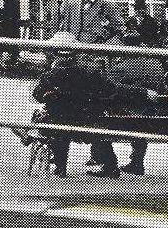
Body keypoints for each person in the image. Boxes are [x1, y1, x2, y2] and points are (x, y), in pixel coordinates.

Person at [33, 32, 155, 178]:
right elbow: (115, 90)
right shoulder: (91, 72)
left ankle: (60, 167)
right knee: (99, 130)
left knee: (51, 122)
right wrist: (143, 92)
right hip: (90, 122)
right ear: (76, 52)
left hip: (59, 124)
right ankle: (110, 165)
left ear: (54, 53)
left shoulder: (49, 76)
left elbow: (37, 96)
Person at [107, 46, 168, 174]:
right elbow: (164, 90)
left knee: (102, 122)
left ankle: (109, 163)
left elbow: (112, 88)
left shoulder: (120, 68)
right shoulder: (156, 66)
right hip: (154, 117)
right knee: (141, 122)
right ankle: (137, 162)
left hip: (126, 117)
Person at [56, 0, 123, 49]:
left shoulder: (108, 6)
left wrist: (106, 47)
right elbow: (64, 29)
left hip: (97, 54)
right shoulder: (71, 5)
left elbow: (119, 31)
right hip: (73, 52)